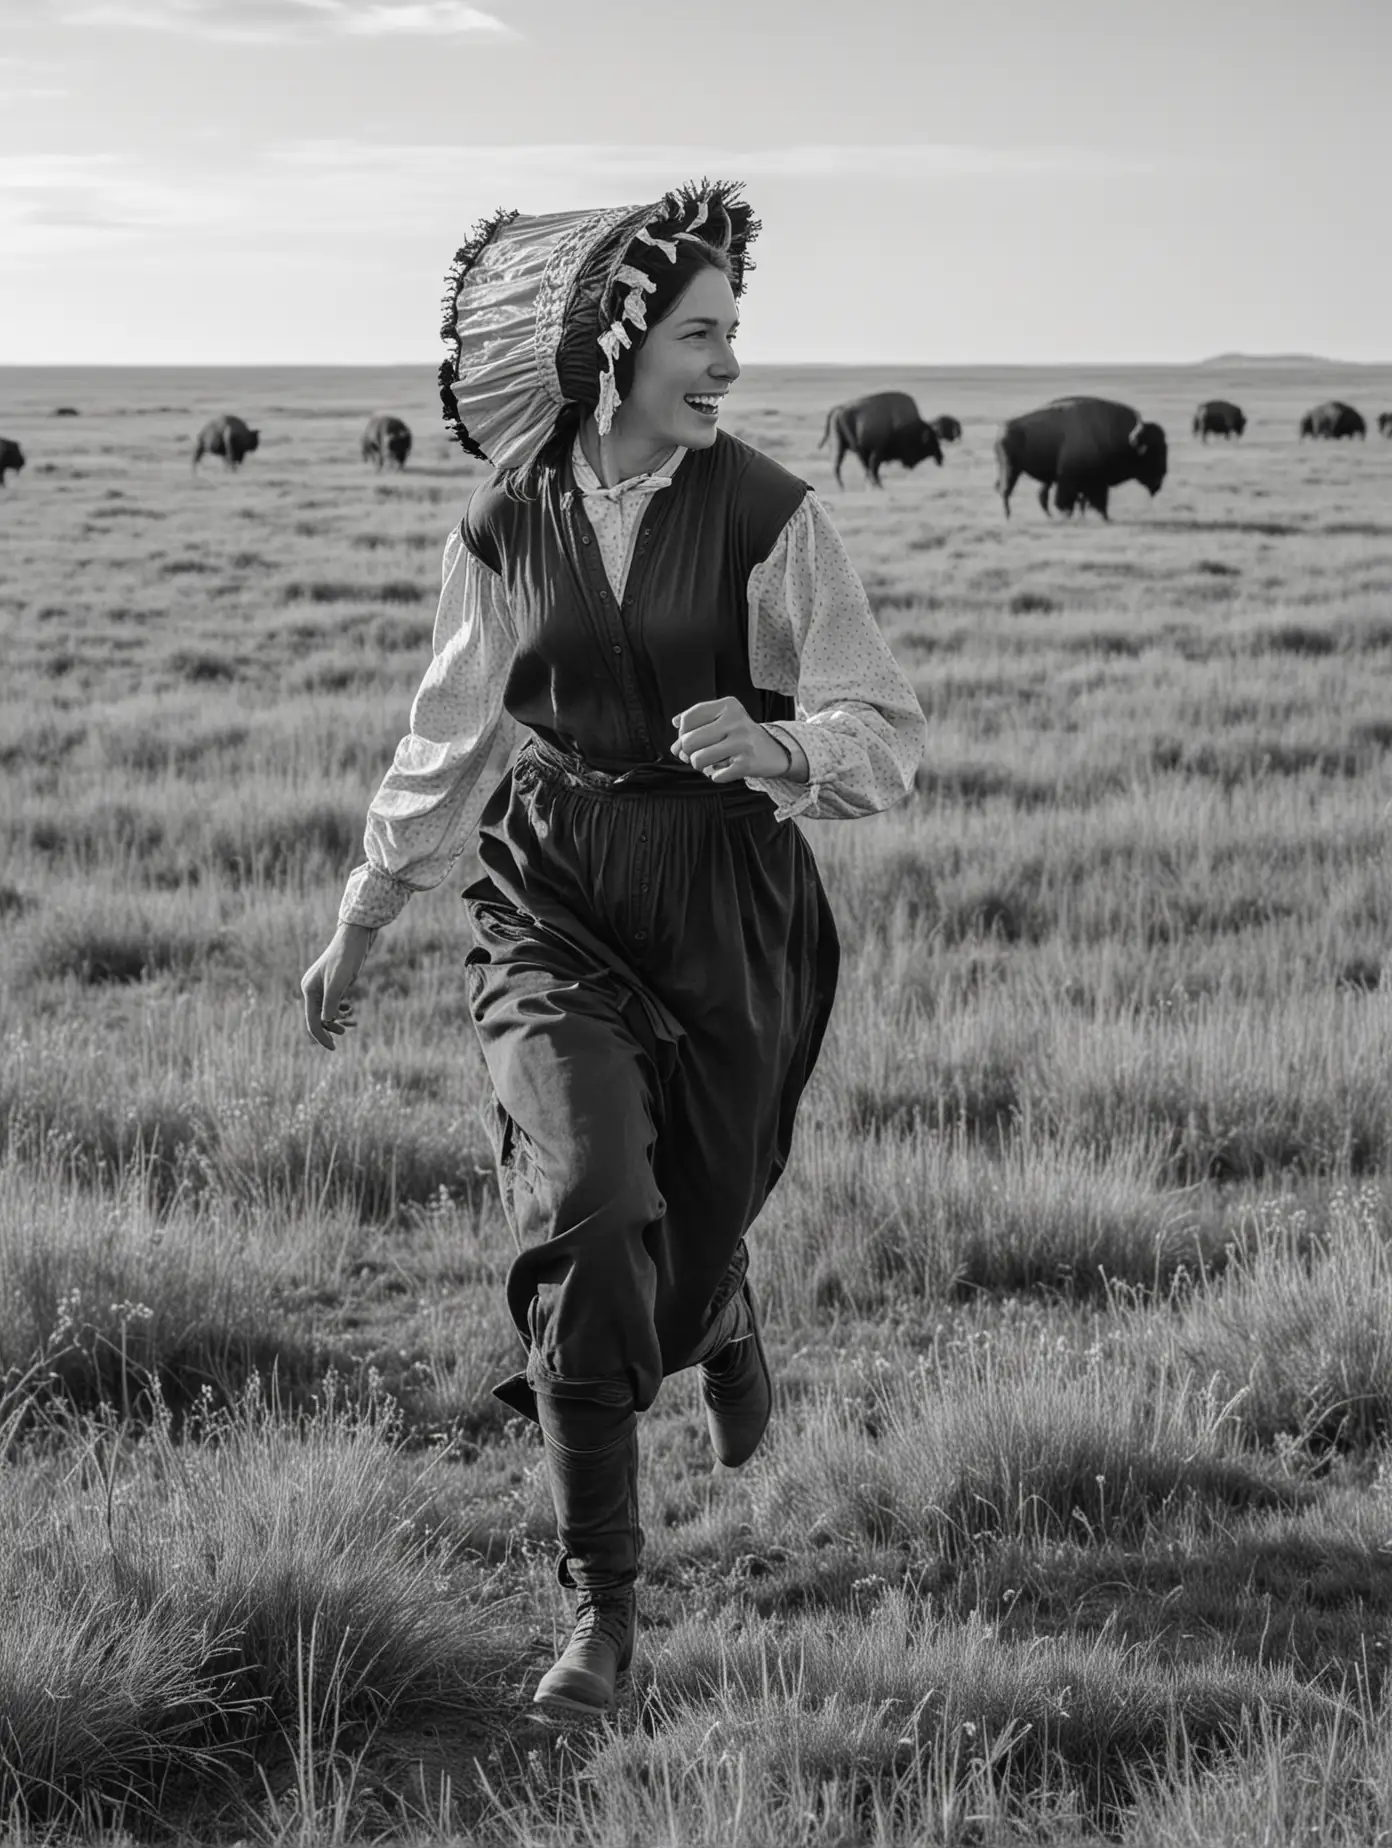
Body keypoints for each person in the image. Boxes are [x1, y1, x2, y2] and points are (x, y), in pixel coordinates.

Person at [300, 181, 928, 1720]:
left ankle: (712, 1307)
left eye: (734, 333)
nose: (725, 364)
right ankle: (604, 1614)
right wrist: (366, 909)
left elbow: (888, 733)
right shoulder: (508, 512)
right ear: (617, 342)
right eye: (699, 335)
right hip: (554, 888)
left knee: (679, 1241)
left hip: (727, 907)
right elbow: (452, 727)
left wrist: (779, 749)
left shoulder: (775, 515)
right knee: (588, 1209)